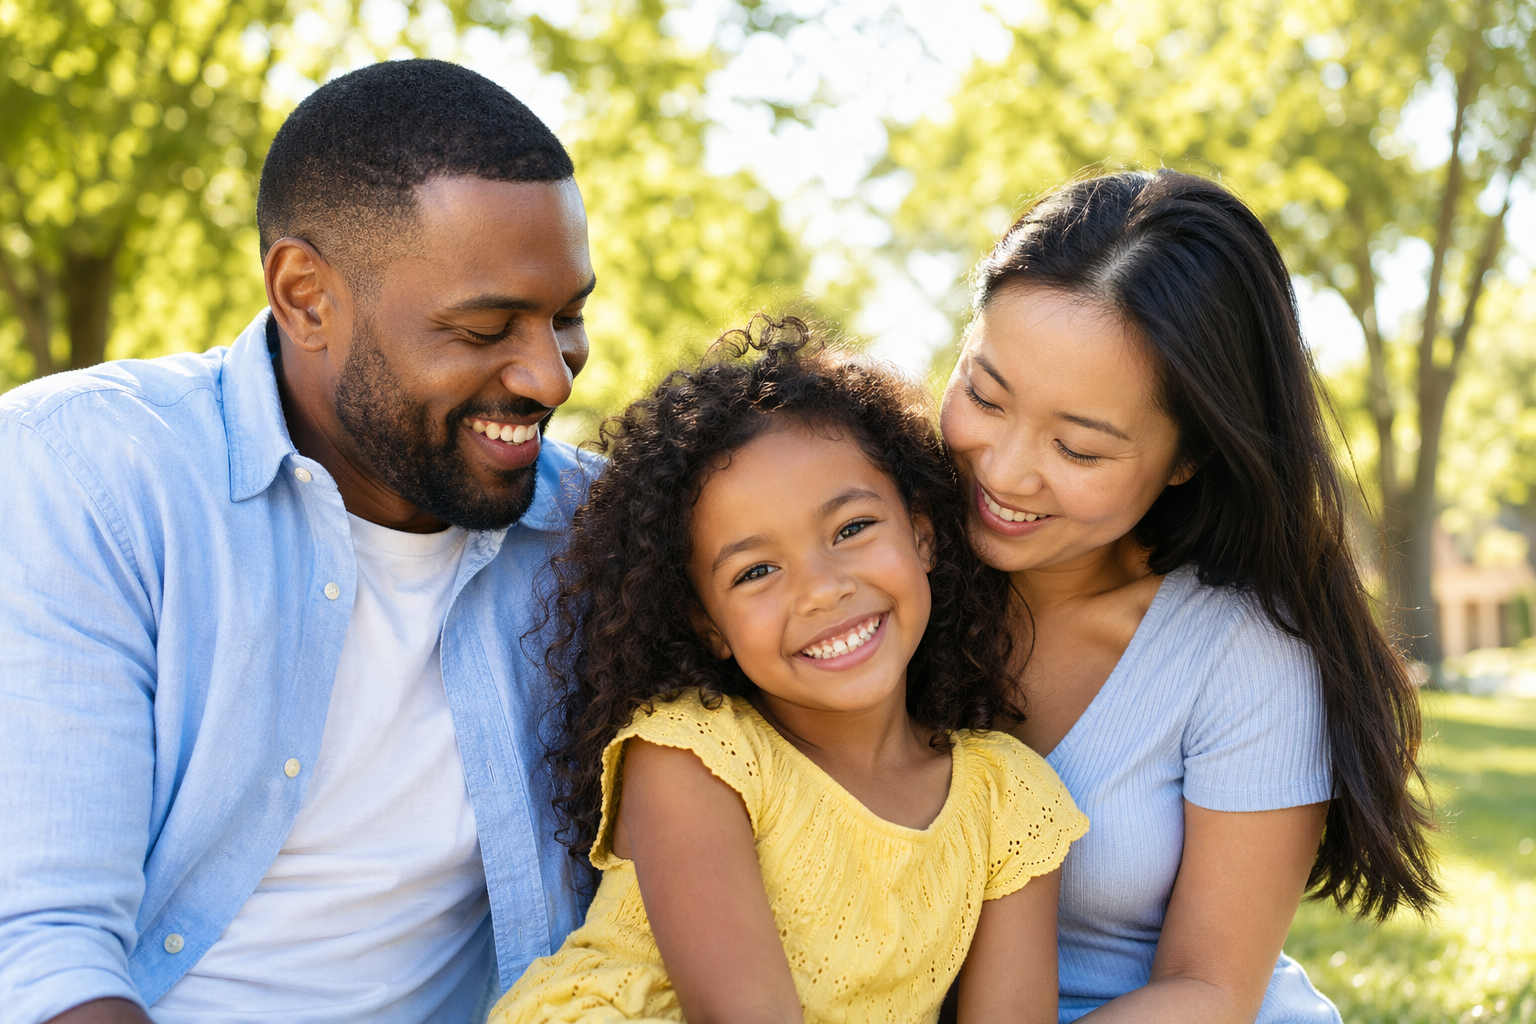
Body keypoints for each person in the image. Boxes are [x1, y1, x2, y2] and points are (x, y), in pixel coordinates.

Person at [0, 60, 601, 1024]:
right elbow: (38, 952)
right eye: (485, 328)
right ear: (306, 296)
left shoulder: (596, 536)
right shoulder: (87, 476)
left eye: (568, 317)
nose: (550, 378)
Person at [939, 170, 1440, 1023]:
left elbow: (1209, 990)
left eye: (1079, 448)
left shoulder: (1240, 653)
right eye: (986, 395)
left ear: (1188, 457)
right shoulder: (865, 568)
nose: (1005, 468)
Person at [489, 319, 1088, 1024]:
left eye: (852, 529)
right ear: (708, 624)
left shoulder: (1007, 802)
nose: (822, 589)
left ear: (922, 535)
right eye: (757, 570)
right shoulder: (694, 756)